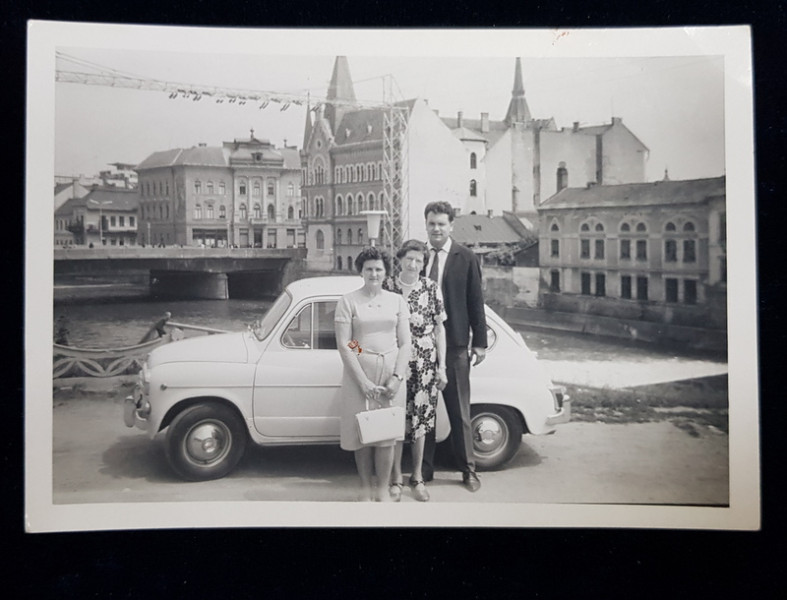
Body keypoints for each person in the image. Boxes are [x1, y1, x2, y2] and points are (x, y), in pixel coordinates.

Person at [335, 246, 412, 502]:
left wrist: (397, 377)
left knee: (386, 435)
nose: (374, 273)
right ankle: (366, 488)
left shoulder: (397, 301)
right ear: (361, 271)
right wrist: (364, 369)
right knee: (362, 434)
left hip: (391, 375)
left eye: (379, 269)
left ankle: (382, 490)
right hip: (359, 375)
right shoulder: (348, 301)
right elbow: (347, 343)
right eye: (369, 269)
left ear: (386, 272)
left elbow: (404, 343)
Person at [422, 200, 487, 492]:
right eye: (432, 223)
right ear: (426, 224)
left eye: (441, 224)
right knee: (424, 409)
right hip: (422, 344)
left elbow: (476, 302)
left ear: (451, 226)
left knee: (459, 410)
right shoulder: (417, 256)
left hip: (457, 345)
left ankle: (468, 470)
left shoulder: (466, 257)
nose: (436, 229)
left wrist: (480, 343)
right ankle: (423, 470)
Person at [383, 240, 448, 502]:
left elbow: (440, 329)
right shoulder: (388, 286)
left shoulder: (431, 288)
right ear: (400, 259)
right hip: (395, 361)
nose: (414, 265)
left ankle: (417, 477)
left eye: (419, 261)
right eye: (409, 259)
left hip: (424, 363)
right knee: (396, 419)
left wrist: (442, 367)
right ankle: (396, 477)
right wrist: (363, 354)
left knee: (421, 422)